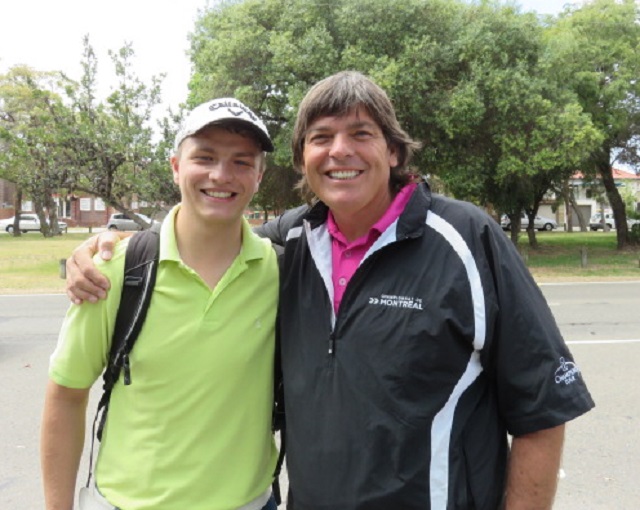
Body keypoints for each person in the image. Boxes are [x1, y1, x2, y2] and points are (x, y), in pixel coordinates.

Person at [65, 71, 595, 509]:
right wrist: (107, 246)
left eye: (361, 134)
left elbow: (542, 408)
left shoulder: (465, 239)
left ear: (393, 151)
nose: (341, 151)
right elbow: (209, 231)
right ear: (303, 159)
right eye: (321, 137)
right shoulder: (289, 243)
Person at [42, 98, 280, 510]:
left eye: (241, 162)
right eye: (204, 157)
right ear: (175, 166)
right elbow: (66, 395)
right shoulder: (114, 269)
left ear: (259, 176)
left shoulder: (280, 271)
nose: (221, 175)